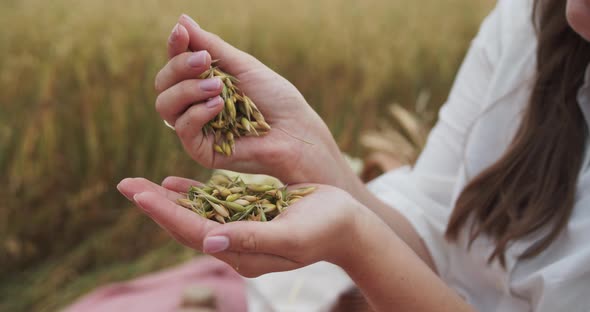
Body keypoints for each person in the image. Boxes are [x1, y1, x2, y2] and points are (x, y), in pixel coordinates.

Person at [117, 0, 590, 310]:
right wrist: (309, 151)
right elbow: (435, 236)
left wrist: (360, 244)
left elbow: (384, 248)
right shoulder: (526, 19)